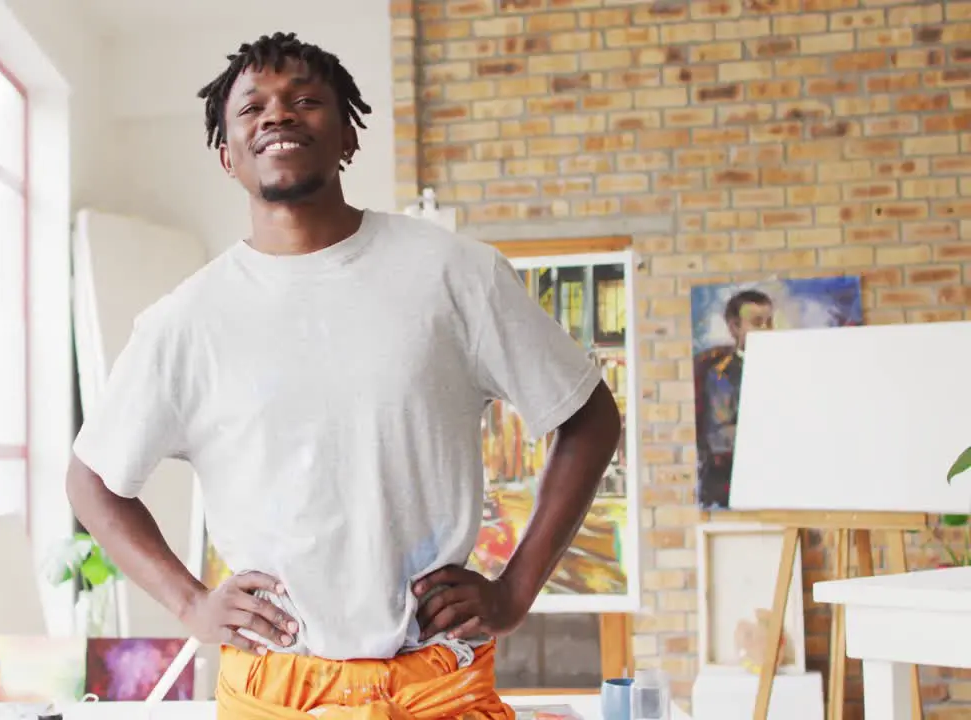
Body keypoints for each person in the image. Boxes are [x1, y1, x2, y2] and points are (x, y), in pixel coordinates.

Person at [66, 32, 622, 719]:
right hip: (276, 693)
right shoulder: (185, 323)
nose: (278, 115)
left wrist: (514, 591)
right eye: (252, 109)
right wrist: (189, 602)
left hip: (435, 687)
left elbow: (588, 416)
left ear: (349, 138)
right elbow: (91, 481)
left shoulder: (454, 274)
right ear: (226, 155)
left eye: (306, 100)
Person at [693, 289, 773, 509]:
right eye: (758, 323)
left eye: (770, 322)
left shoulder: (782, 366)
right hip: (735, 480)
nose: (767, 330)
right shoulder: (721, 375)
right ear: (734, 327)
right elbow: (721, 437)